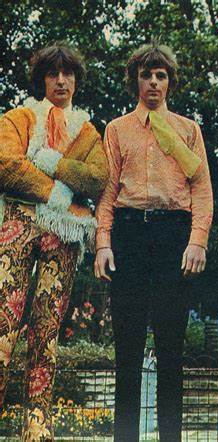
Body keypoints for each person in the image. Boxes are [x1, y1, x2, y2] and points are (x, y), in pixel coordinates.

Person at [94, 42, 213, 442]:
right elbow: (108, 191)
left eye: (161, 75)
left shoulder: (188, 130)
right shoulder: (116, 130)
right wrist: (103, 242)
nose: (154, 82)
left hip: (173, 236)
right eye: (146, 75)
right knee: (127, 350)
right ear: (136, 81)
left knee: (171, 350)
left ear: (170, 82)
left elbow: (202, 190)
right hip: (129, 233)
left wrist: (197, 241)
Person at [0, 42, 108, 440]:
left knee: (46, 329)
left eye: (68, 73)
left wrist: (51, 162)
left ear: (77, 80)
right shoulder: (20, 117)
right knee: (3, 323)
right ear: (41, 79)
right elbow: (6, 165)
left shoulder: (89, 132)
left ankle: (37, 425)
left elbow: (97, 178)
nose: (61, 81)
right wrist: (59, 194)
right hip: (18, 224)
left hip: (63, 235)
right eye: (52, 74)